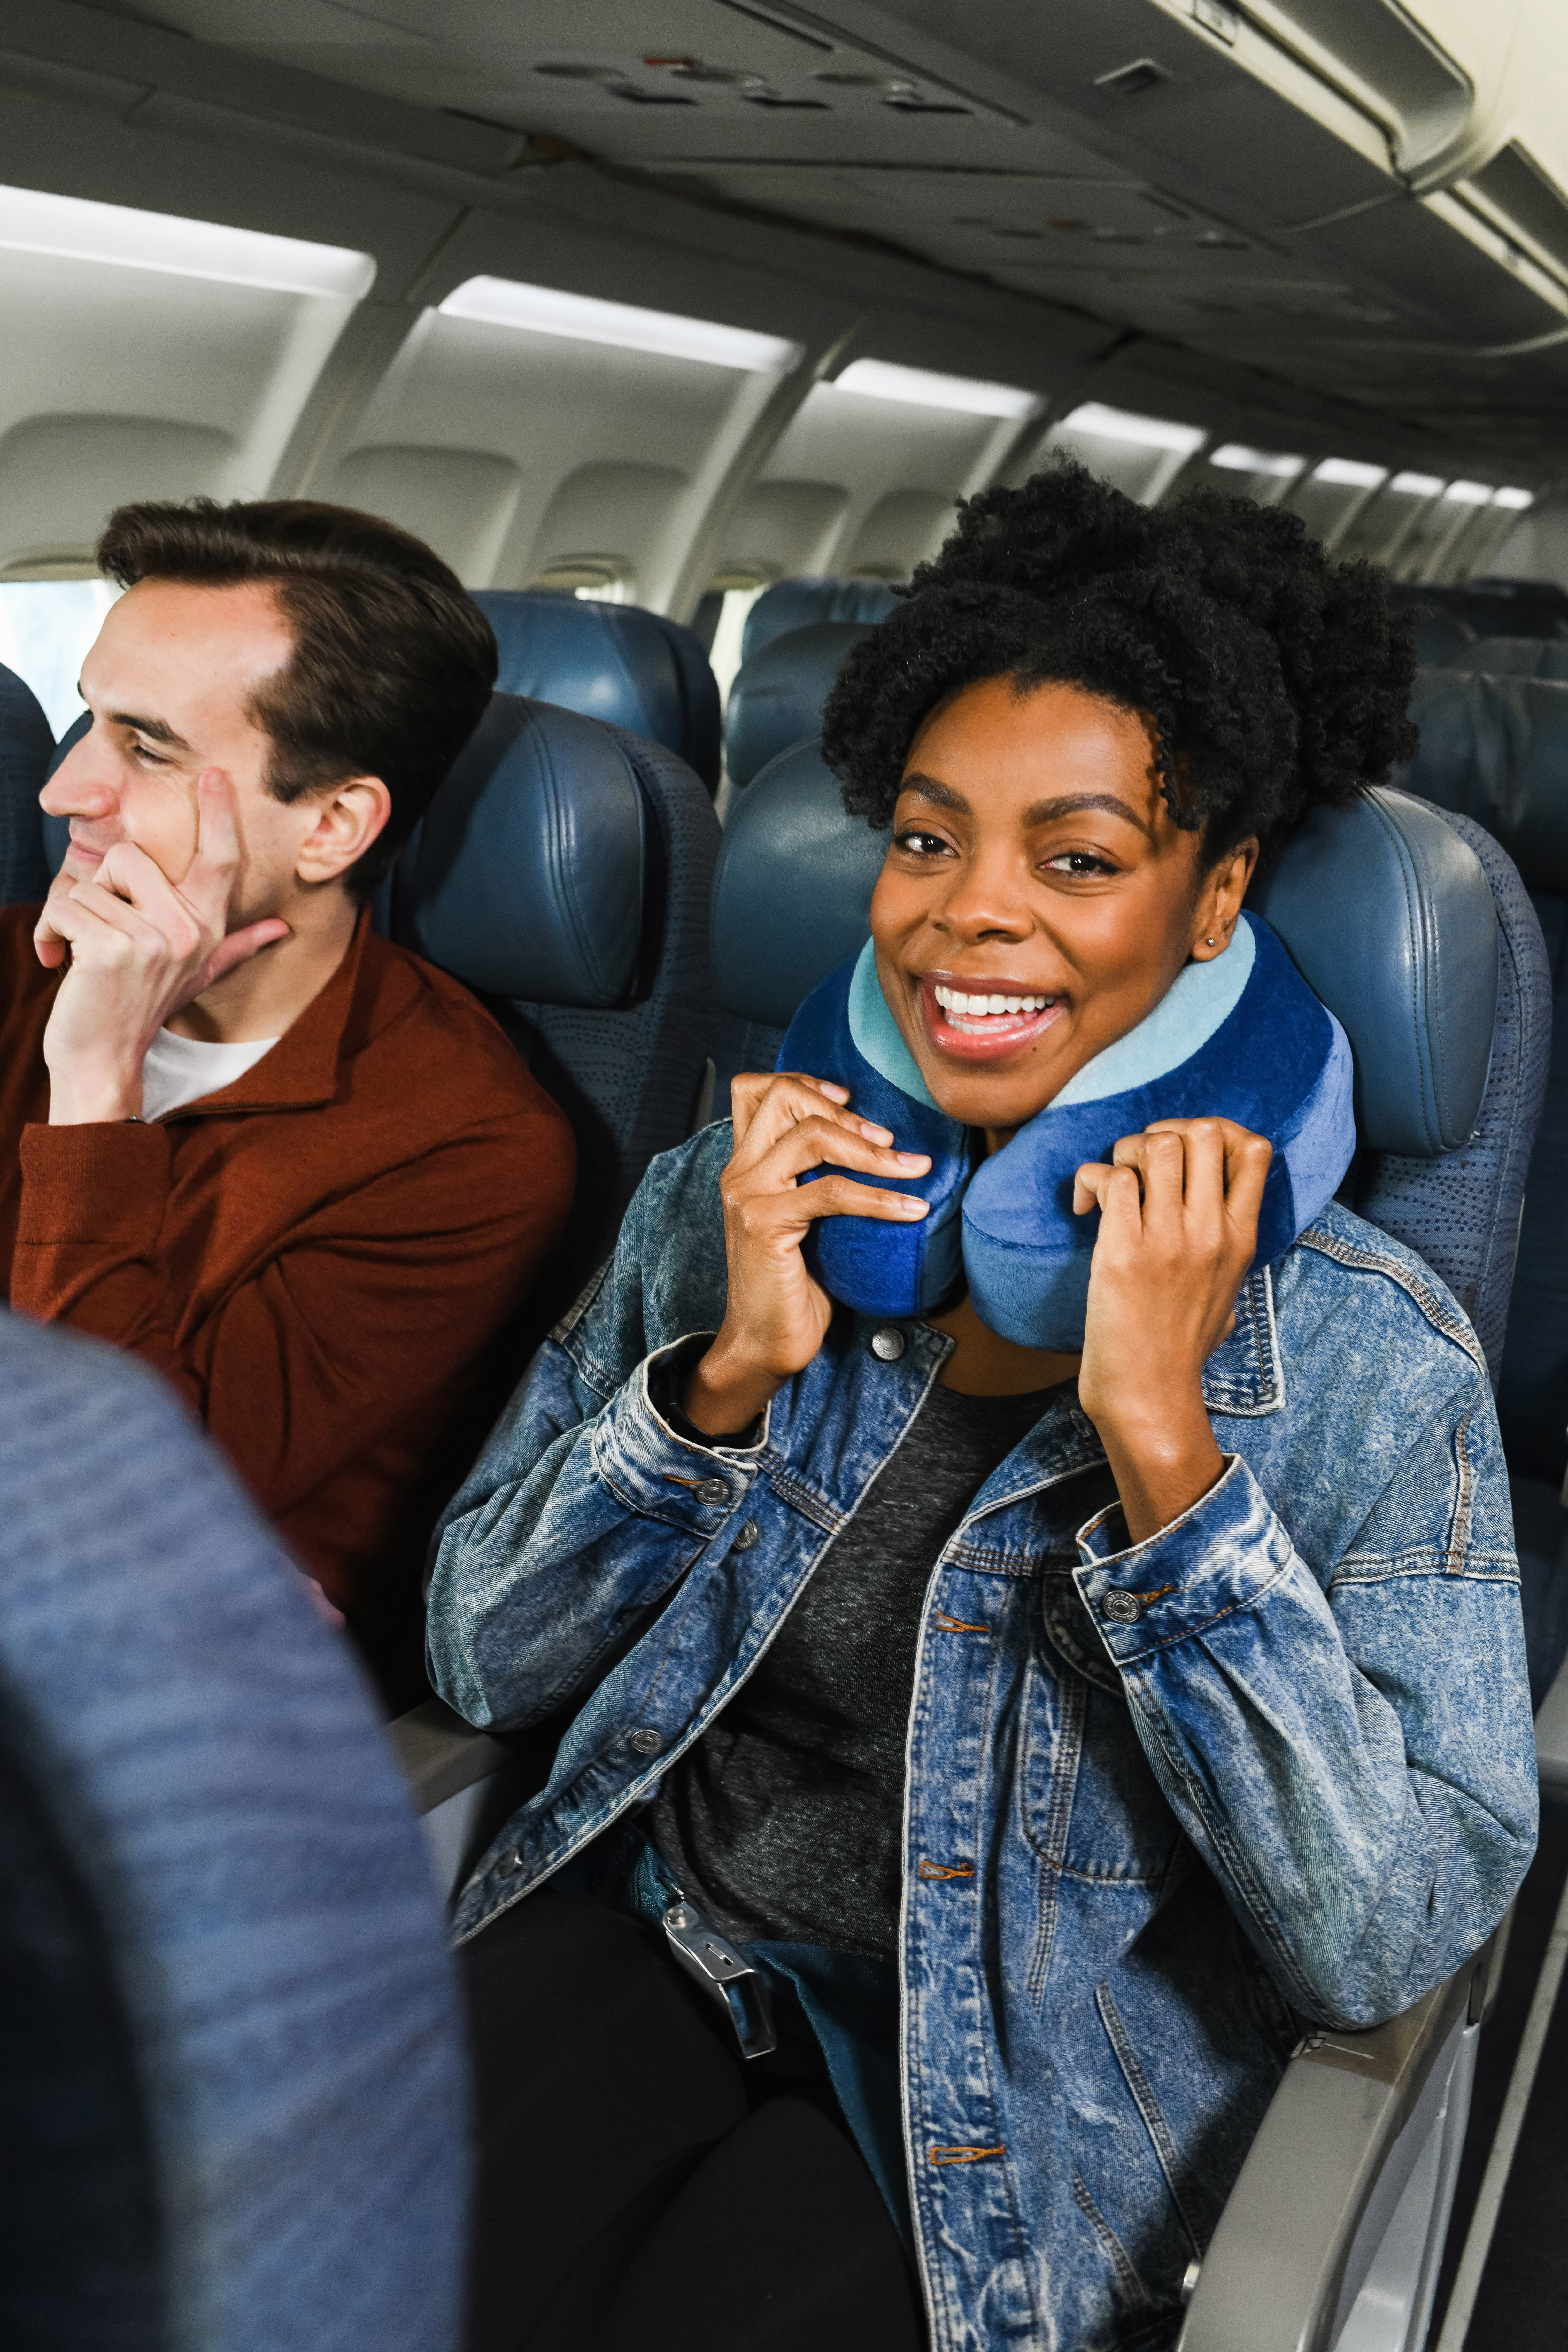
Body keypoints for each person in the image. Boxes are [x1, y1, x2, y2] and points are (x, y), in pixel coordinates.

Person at [425, 463, 1537, 2352]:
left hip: (1017, 2100)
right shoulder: (747, 1199)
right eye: (925, 842)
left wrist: (1165, 1457)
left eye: (1076, 859)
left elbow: (1379, 1940)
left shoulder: (1363, 1353)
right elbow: (479, 1661)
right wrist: (722, 1379)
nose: (967, 922)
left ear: (1216, 902)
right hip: (658, 1934)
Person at [0, 499, 574, 1709]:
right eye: (84, 723)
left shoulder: (466, 1150)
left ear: (331, 826)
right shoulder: (12, 968)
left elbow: (99, 1508)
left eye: (143, 748)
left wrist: (95, 1086)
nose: (63, 792)